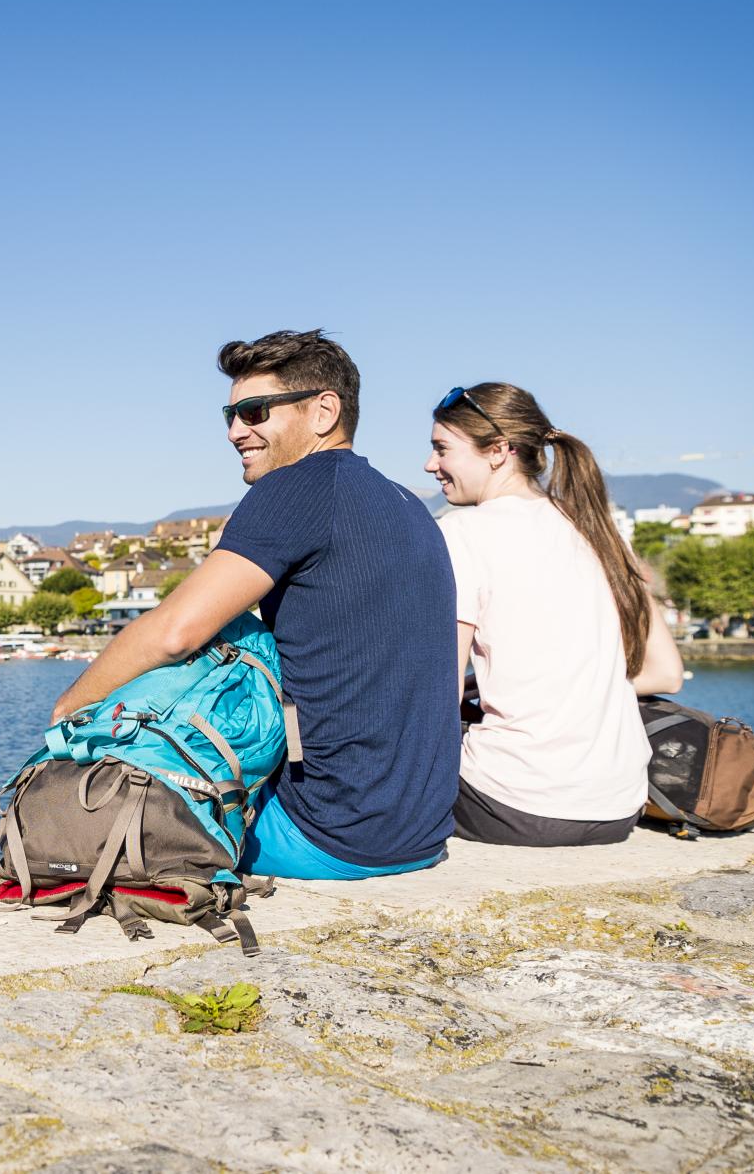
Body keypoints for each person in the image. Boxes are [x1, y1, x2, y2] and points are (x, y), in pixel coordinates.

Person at [50, 329, 459, 879]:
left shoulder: (295, 487)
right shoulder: (407, 503)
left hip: (327, 834)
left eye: (255, 411)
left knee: (104, 802)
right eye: (230, 414)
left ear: (323, 411)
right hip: (421, 835)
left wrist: (70, 711)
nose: (235, 431)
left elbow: (177, 632)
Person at [426, 383, 685, 846]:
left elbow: (438, 692)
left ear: (498, 452)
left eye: (442, 449)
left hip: (513, 804)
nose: (431, 466)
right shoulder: (599, 529)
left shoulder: (461, 531)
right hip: (618, 808)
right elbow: (666, 674)